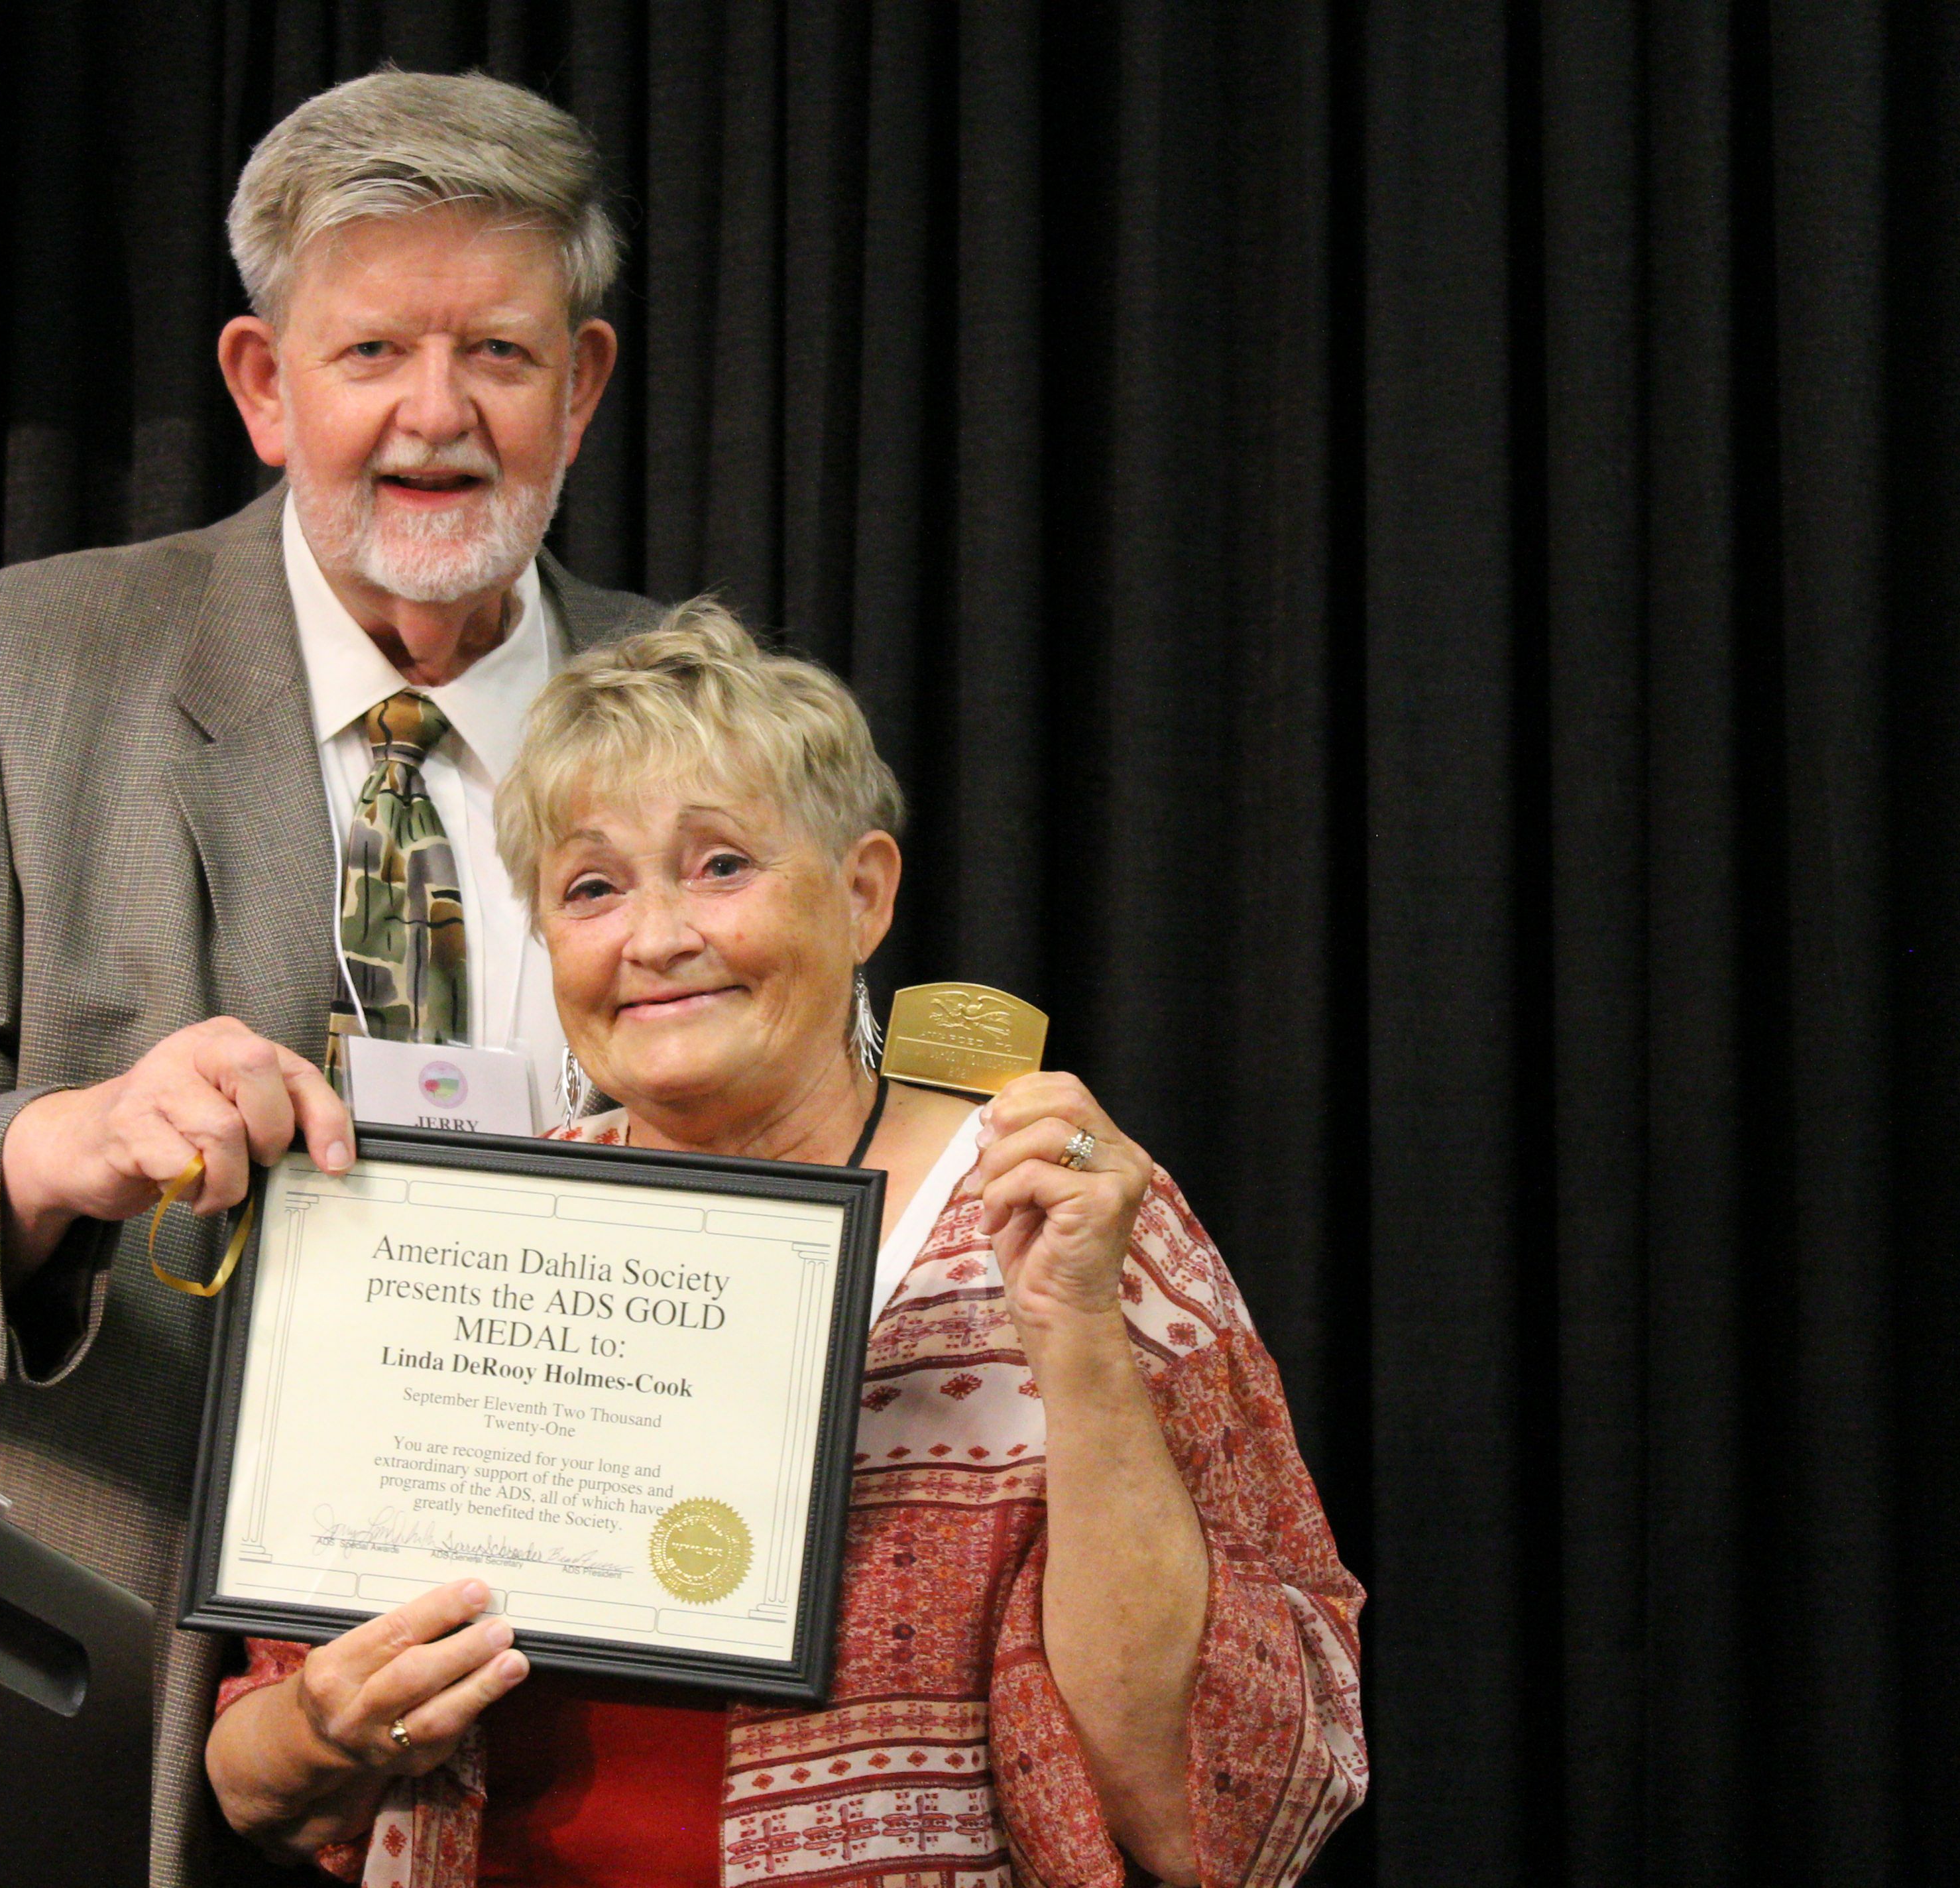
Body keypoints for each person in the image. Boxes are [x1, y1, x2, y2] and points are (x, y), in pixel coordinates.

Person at [0, 71, 660, 1888]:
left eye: (500, 353)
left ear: (585, 385)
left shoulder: (703, 693)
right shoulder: (25, 667)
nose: (437, 414)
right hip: (124, 1709)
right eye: (372, 351)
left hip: (603, 1723)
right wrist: (63, 1146)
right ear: (262, 384)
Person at [203, 603, 1367, 1887]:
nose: (656, 937)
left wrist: (1078, 1335)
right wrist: (332, 1726)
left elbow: (1204, 1819)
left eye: (721, 866)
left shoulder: (1061, 1213)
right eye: (592, 888)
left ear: (863, 893)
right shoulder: (467, 1240)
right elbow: (254, 1781)